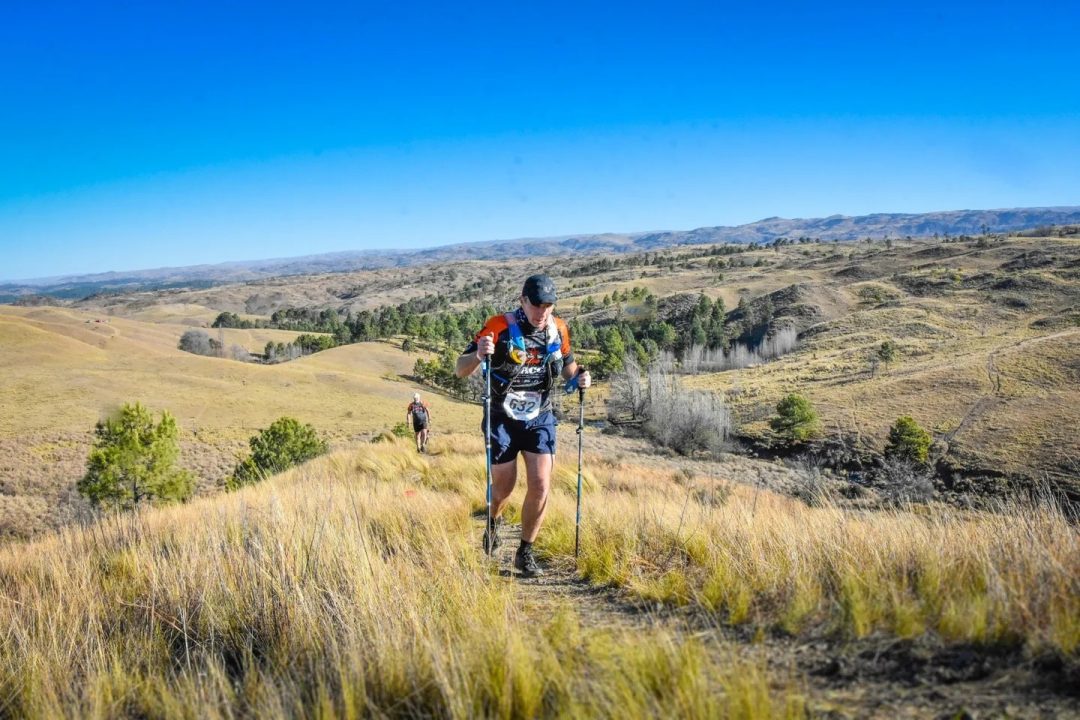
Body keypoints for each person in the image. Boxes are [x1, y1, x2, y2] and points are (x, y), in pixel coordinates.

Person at [455, 274, 591, 577]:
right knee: (503, 487)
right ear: (523, 301)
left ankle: (525, 552)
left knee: (541, 484)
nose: (543, 312)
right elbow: (460, 369)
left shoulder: (559, 329)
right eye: (537, 305)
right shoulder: (498, 326)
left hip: (540, 414)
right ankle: (493, 520)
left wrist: (580, 377)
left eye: (548, 305)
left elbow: (568, 367)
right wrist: (479, 355)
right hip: (502, 417)